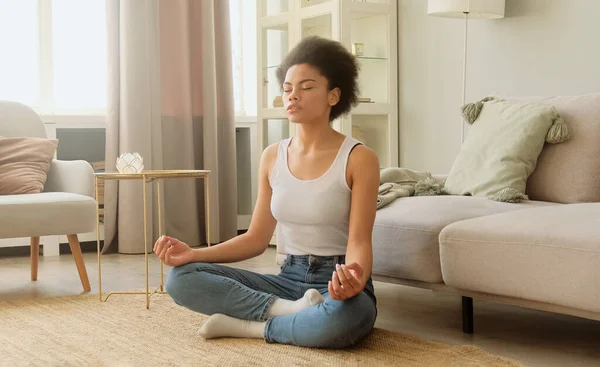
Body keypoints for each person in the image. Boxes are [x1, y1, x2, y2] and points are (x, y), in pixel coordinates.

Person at [153, 36, 380, 349]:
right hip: (288, 279)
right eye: (287, 88)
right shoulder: (272, 156)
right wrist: (193, 254)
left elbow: (358, 241)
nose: (293, 96)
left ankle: (249, 326)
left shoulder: (359, 158)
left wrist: (353, 279)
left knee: (339, 321)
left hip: (337, 281)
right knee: (181, 279)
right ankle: (288, 313)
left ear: (334, 95)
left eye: (307, 86)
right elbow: (255, 239)